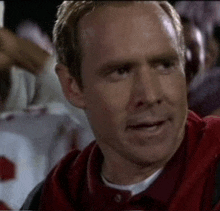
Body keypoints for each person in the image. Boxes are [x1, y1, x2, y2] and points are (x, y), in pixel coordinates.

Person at [21, 1, 220, 210]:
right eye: (121, 71)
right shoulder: (53, 196)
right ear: (73, 87)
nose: (150, 95)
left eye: (165, 65)